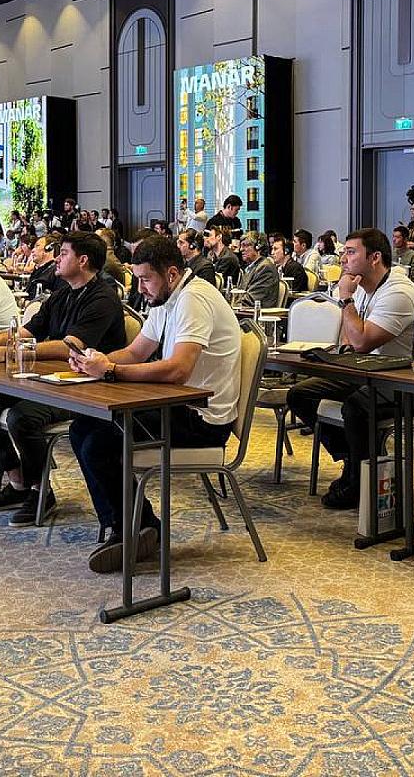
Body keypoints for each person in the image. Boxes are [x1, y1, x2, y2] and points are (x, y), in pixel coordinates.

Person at [68, 235, 243, 574]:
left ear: (171, 273)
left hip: (203, 419)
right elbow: (136, 352)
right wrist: (96, 361)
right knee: (82, 428)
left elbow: (178, 370)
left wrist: (111, 371)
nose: (140, 288)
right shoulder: (167, 298)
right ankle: (135, 526)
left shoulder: (193, 299)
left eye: (146, 279)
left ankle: (134, 529)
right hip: (179, 407)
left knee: (98, 444)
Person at [0, 232, 128, 526]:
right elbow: (25, 332)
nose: (56, 259)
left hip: (87, 387)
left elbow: (70, 346)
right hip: (51, 379)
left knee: (22, 417)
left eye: (64, 253)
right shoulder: (61, 294)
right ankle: (17, 481)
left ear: (83, 260)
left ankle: (39, 490)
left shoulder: (103, 298)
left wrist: (6, 353)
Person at [287, 228, 414, 509]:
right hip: (373, 373)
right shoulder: (363, 288)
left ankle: (358, 482)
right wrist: (350, 316)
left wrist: (346, 299)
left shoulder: (398, 292)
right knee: (300, 395)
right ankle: (353, 463)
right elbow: (350, 339)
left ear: (375, 257)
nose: (343, 258)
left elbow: (362, 342)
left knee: (356, 407)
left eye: (351, 252)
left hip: (412, 380)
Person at [237, 231, 281, 307]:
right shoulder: (251, 267)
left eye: (245, 245)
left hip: (255, 313)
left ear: (258, 247)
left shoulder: (265, 268)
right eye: (241, 246)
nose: (241, 249)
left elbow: (250, 301)